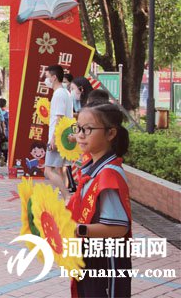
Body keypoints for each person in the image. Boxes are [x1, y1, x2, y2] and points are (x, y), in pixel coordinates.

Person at [68, 103, 132, 297]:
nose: (80, 135)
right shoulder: (93, 168)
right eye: (78, 128)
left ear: (110, 133)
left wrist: (78, 229)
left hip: (105, 261)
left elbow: (119, 227)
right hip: (90, 254)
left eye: (87, 129)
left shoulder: (108, 175)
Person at [43, 65, 74, 202]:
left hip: (58, 137)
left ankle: (67, 196)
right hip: (63, 136)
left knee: (48, 170)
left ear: (54, 77)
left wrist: (54, 139)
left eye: (47, 76)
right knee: (59, 169)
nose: (46, 80)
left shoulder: (59, 94)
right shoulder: (65, 93)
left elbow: (59, 117)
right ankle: (65, 197)